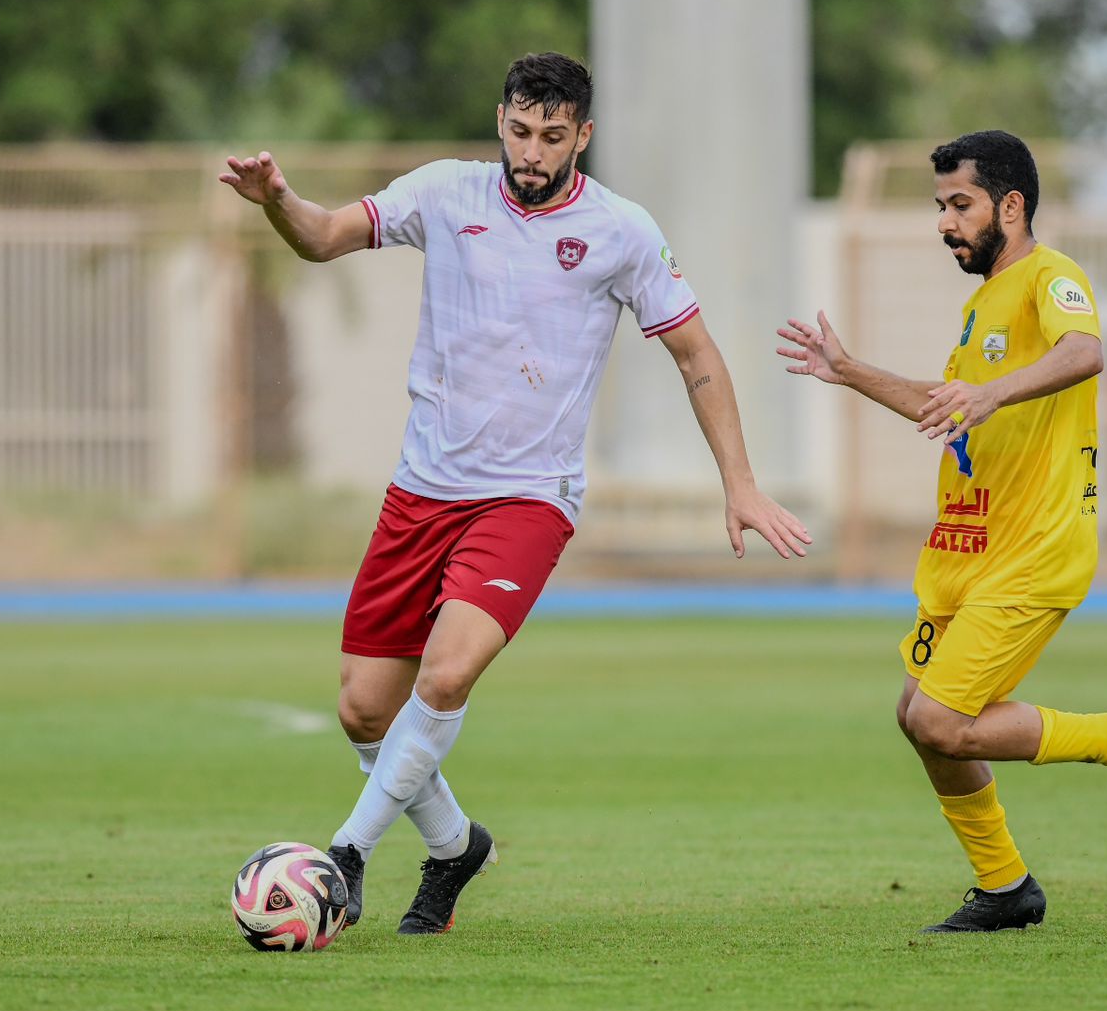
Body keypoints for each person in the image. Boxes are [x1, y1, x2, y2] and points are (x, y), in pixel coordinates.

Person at [220, 52, 810, 936]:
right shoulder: (445, 195)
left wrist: (742, 485)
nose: (532, 153)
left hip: (529, 498)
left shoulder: (622, 230)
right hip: (421, 492)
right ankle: (457, 850)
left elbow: (698, 358)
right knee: (362, 708)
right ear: (501, 119)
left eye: (554, 137)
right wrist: (276, 200)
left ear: (584, 135)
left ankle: (345, 858)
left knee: (449, 671)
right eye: (521, 131)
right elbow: (323, 235)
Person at [776, 130, 1107, 933]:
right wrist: (850, 372)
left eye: (960, 205)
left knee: (940, 722)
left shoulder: (1050, 278)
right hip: (966, 548)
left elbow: (1086, 351)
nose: (945, 222)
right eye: (941, 207)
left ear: (1012, 205)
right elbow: (946, 404)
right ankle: (1005, 887)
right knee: (919, 717)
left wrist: (995, 395)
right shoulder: (981, 304)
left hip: (1034, 550)